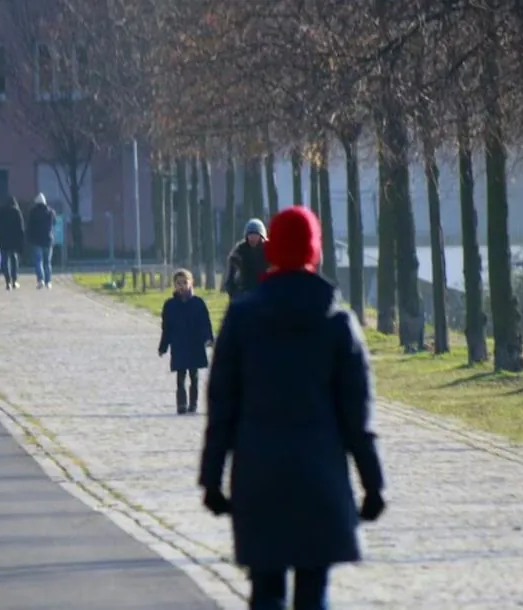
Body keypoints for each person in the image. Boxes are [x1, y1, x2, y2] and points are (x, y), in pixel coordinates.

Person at [199, 206, 386, 610]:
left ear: (271, 251)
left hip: (258, 474)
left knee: (265, 589)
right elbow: (358, 417)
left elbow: (222, 405)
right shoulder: (337, 321)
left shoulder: (243, 318)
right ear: (314, 253)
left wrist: (211, 477)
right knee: (313, 589)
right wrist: (372, 484)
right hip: (319, 474)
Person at [158, 269, 214, 415]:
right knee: (180, 376)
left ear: (191, 283)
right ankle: (181, 404)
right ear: (174, 285)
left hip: (194, 343)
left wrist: (208, 338)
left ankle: (193, 403)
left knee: (194, 376)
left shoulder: (198, 303)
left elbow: (205, 323)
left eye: (184, 282)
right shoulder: (170, 305)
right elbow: (166, 328)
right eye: (178, 283)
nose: (181, 286)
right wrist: (163, 346)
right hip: (179, 344)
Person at [223, 218, 269, 299]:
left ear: (261, 236)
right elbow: (231, 281)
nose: (252, 238)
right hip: (244, 295)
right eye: (250, 235)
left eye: (255, 235)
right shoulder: (238, 254)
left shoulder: (270, 252)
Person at [0, 196, 26, 290]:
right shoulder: (17, 212)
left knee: (5, 260)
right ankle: (15, 281)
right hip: (14, 240)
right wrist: (21, 241)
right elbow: (21, 228)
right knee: (14, 259)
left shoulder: (0, 212)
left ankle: (7, 281)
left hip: (3, 240)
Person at [27, 193, 57, 289]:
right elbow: (54, 223)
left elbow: (29, 227)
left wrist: (29, 238)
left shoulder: (32, 212)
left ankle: (41, 280)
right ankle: (48, 282)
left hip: (36, 240)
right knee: (47, 262)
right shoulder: (50, 212)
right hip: (48, 240)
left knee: (38, 261)